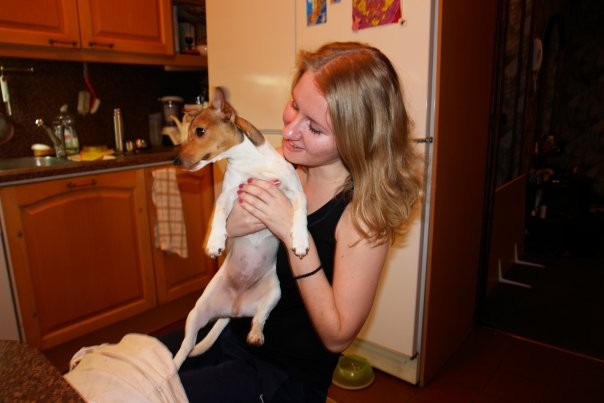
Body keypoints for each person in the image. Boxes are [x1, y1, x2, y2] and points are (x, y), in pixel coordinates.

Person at [160, 41, 423, 402]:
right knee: (135, 362)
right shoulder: (283, 167)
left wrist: (290, 230)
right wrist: (233, 224)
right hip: (232, 333)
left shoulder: (364, 217)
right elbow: (230, 241)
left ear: (357, 139)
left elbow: (337, 336)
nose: (289, 132)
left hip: (283, 376)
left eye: (314, 128)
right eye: (295, 105)